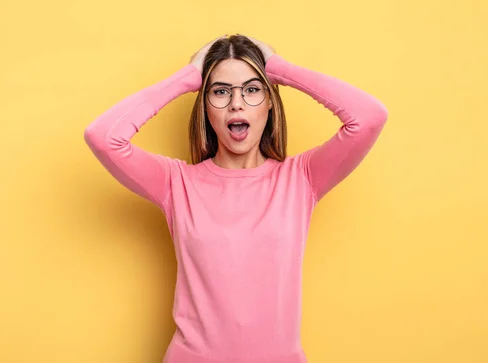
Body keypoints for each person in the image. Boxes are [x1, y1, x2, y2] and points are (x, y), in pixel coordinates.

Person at [84, 34, 388, 363]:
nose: (236, 103)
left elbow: (369, 118)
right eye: (220, 91)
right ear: (205, 106)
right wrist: (186, 78)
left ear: (270, 101)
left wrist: (280, 69)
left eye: (252, 89)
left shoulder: (301, 178)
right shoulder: (176, 183)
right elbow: (103, 137)